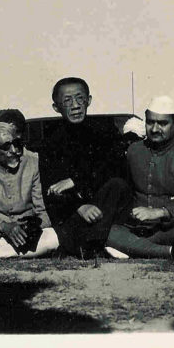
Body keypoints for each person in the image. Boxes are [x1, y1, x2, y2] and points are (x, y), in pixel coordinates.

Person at [38, 77, 131, 258]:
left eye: (80, 98)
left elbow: (116, 170)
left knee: (118, 185)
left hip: (104, 208)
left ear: (88, 101)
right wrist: (80, 207)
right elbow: (51, 188)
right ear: (56, 107)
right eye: (67, 100)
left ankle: (87, 244)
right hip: (74, 213)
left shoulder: (105, 132)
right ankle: (93, 243)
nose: (75, 105)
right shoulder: (51, 143)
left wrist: (76, 181)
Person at [0, 123, 59, 258]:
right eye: (6, 146)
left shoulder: (32, 164)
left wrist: (32, 229)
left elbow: (41, 209)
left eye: (16, 144)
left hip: (26, 232)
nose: (14, 150)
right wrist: (3, 227)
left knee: (53, 237)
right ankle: (20, 251)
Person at [105, 96, 174, 259]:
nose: (154, 129)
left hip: (173, 226)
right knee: (108, 231)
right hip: (141, 229)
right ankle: (171, 252)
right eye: (150, 122)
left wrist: (162, 212)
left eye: (162, 123)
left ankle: (137, 249)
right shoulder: (134, 150)